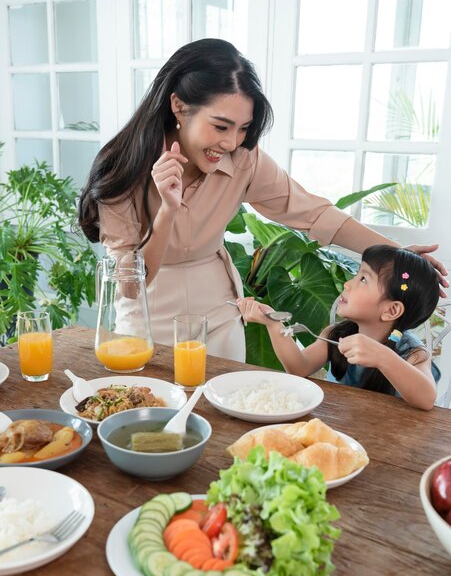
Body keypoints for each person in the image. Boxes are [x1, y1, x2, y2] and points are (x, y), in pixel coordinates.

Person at [78, 38, 447, 362]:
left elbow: (313, 214)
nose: (231, 142)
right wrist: (167, 212)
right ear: (178, 106)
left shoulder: (243, 159)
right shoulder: (122, 169)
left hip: (216, 312)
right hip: (146, 315)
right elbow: (130, 284)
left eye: (242, 128)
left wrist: (398, 254)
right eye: (221, 126)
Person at [236, 245, 441, 410]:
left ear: (391, 310)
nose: (347, 284)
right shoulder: (338, 334)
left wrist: (382, 357)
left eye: (363, 279)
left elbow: (426, 399)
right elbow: (298, 367)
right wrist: (273, 324)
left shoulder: (412, 352)